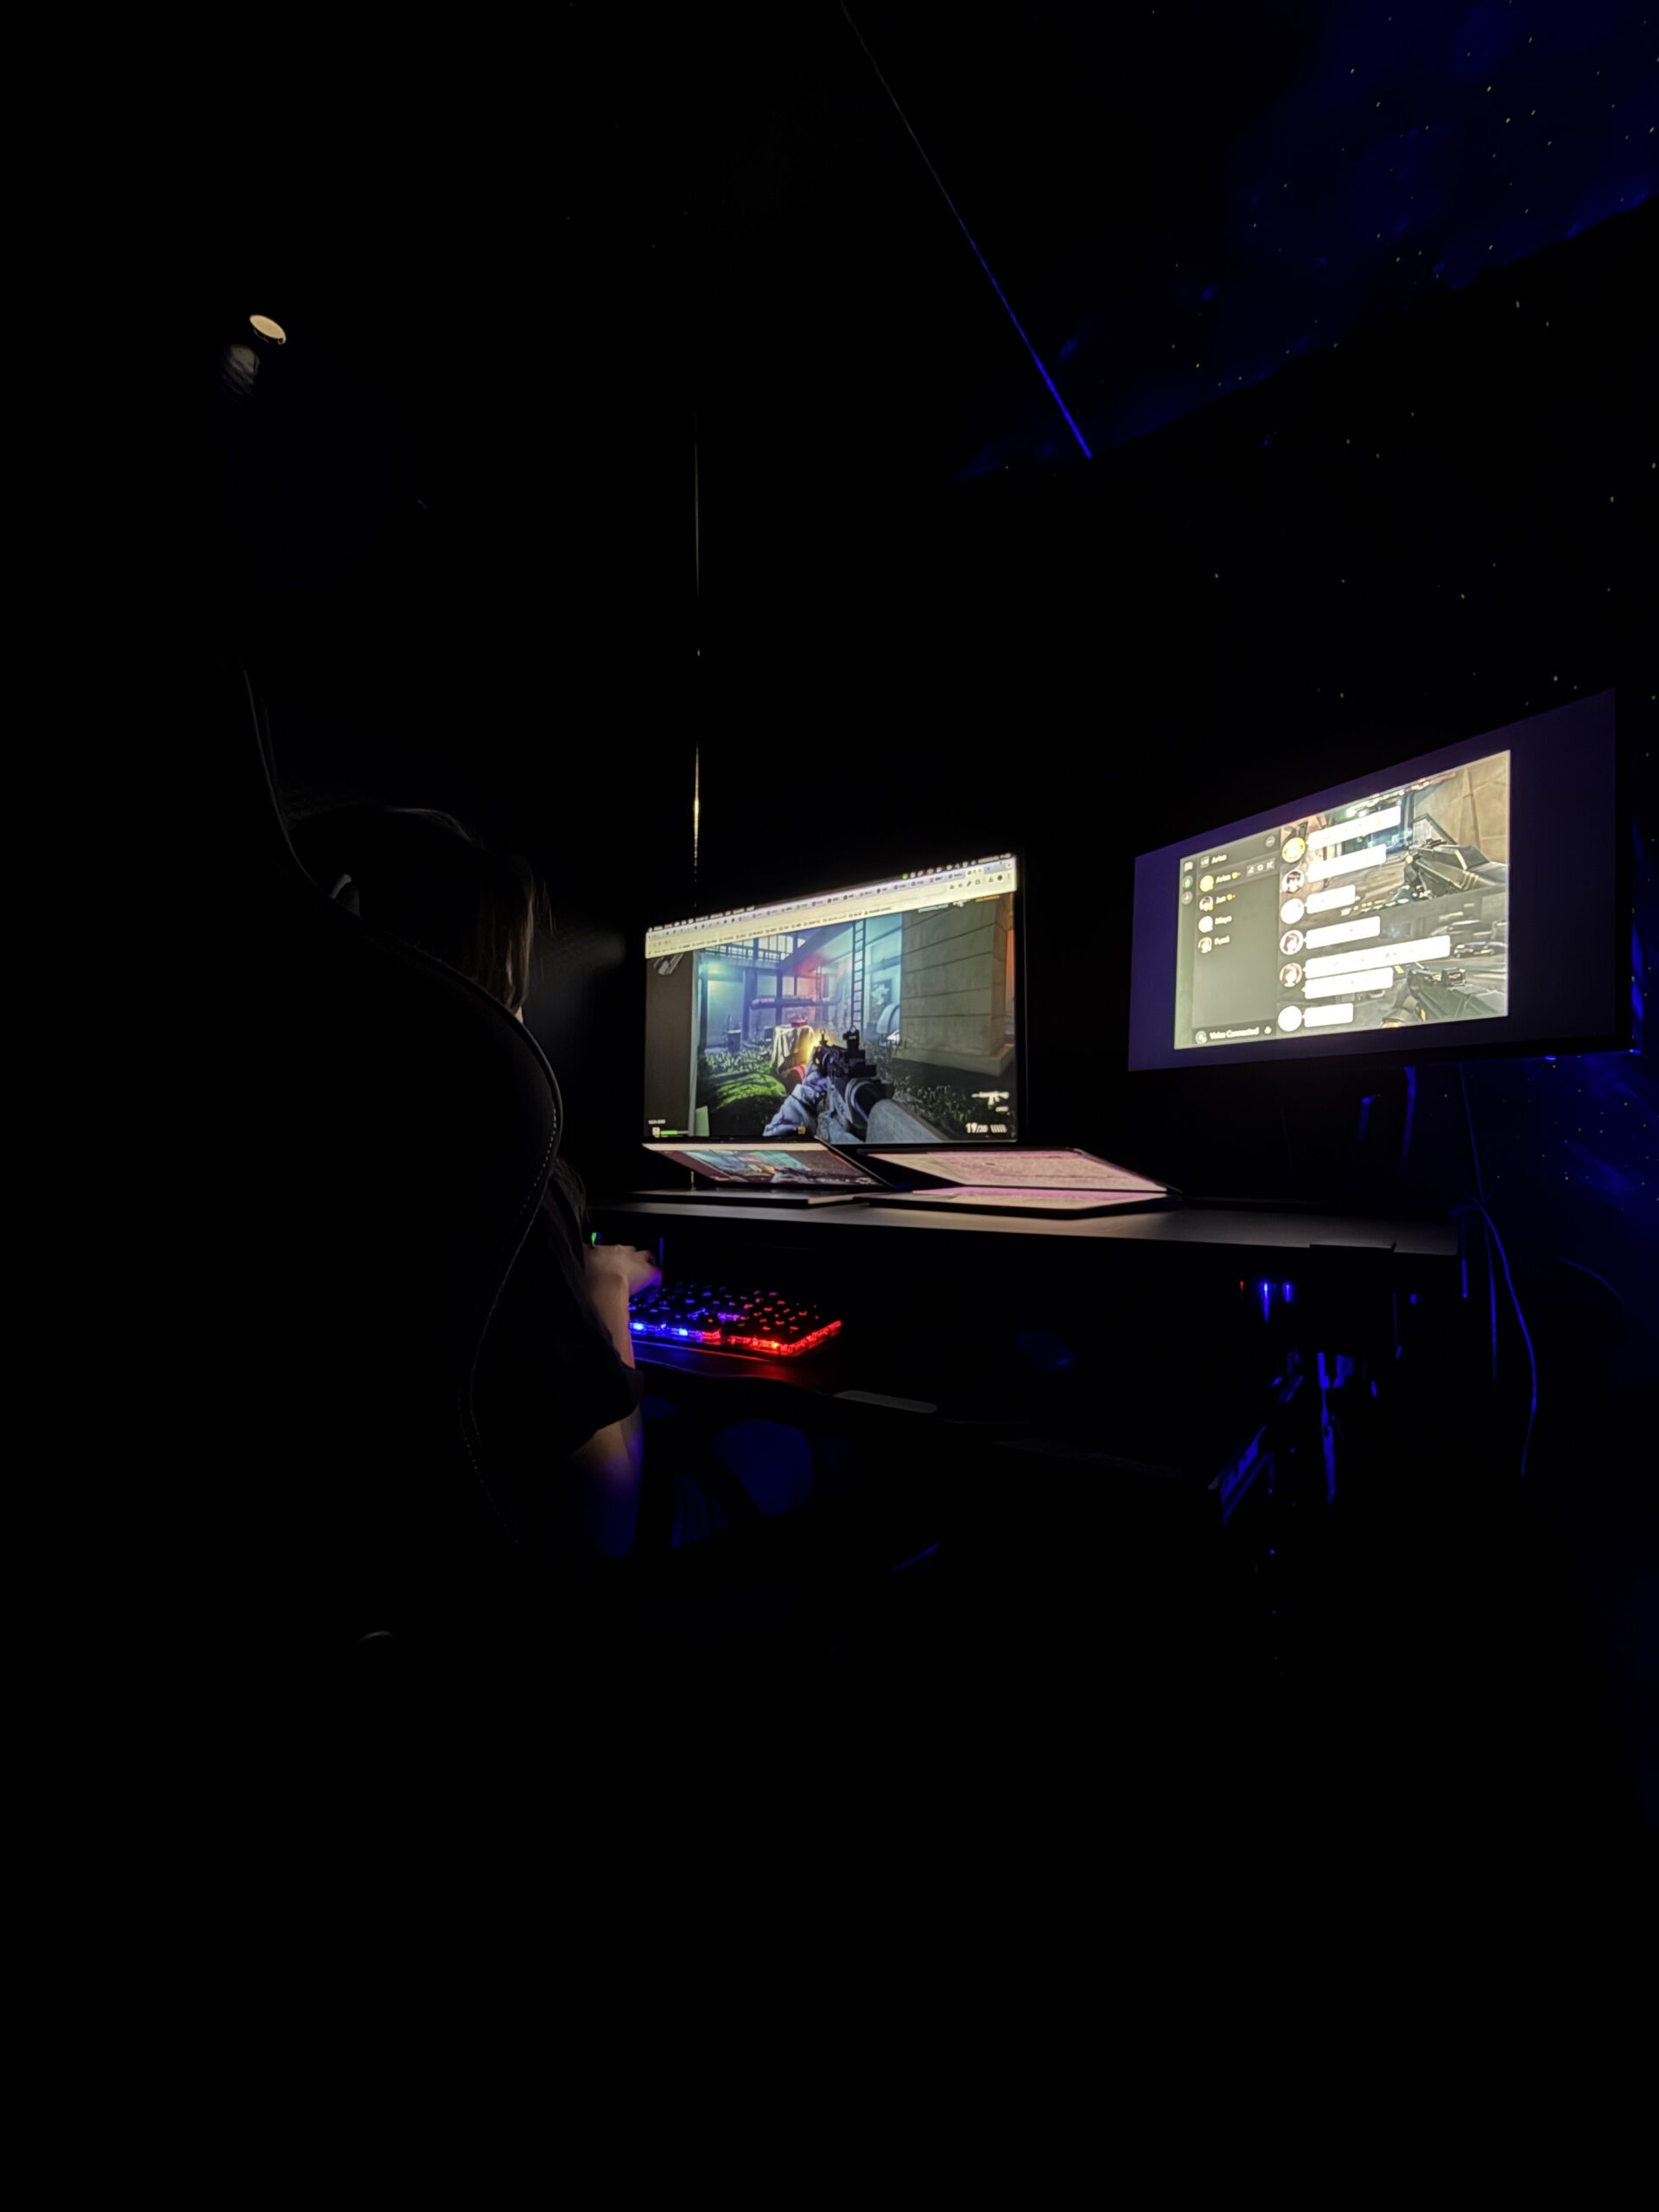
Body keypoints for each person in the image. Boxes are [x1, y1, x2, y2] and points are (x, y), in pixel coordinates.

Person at [287, 804, 659, 1566]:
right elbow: (605, 1520)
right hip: (517, 1591)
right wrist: (606, 1282)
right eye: (508, 988)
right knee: (791, 1443)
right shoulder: (497, 1178)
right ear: (465, 1003)